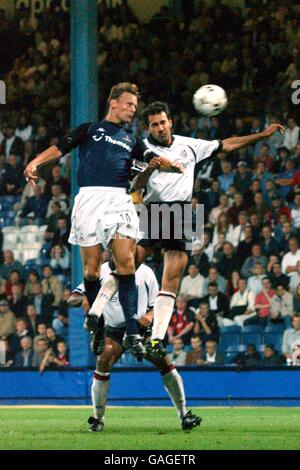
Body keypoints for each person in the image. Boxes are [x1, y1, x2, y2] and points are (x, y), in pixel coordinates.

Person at [84, 100, 284, 358]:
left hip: (183, 212)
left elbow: (226, 144)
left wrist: (261, 135)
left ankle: (156, 339)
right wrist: (149, 170)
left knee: (172, 280)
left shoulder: (189, 144)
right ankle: (96, 314)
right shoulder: (141, 149)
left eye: (162, 122)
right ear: (148, 128)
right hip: (152, 210)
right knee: (126, 266)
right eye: (154, 125)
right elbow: (132, 186)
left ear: (170, 122)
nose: (159, 127)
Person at [24, 83, 180, 358]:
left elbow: (150, 156)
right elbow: (60, 148)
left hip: (119, 199)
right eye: (129, 104)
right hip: (89, 200)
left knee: (127, 263)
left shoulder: (131, 140)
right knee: (92, 272)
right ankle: (100, 328)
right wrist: (36, 162)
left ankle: (132, 332)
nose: (133, 110)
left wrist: (166, 163)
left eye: (135, 106)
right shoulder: (89, 130)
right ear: (114, 103)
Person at [71, 261, 201, 432]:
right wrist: (83, 298)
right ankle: (97, 419)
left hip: (140, 330)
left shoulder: (146, 272)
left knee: (162, 358)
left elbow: (157, 305)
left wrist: (149, 314)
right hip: (113, 331)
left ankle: (184, 414)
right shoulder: (100, 270)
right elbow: (75, 295)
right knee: (103, 359)